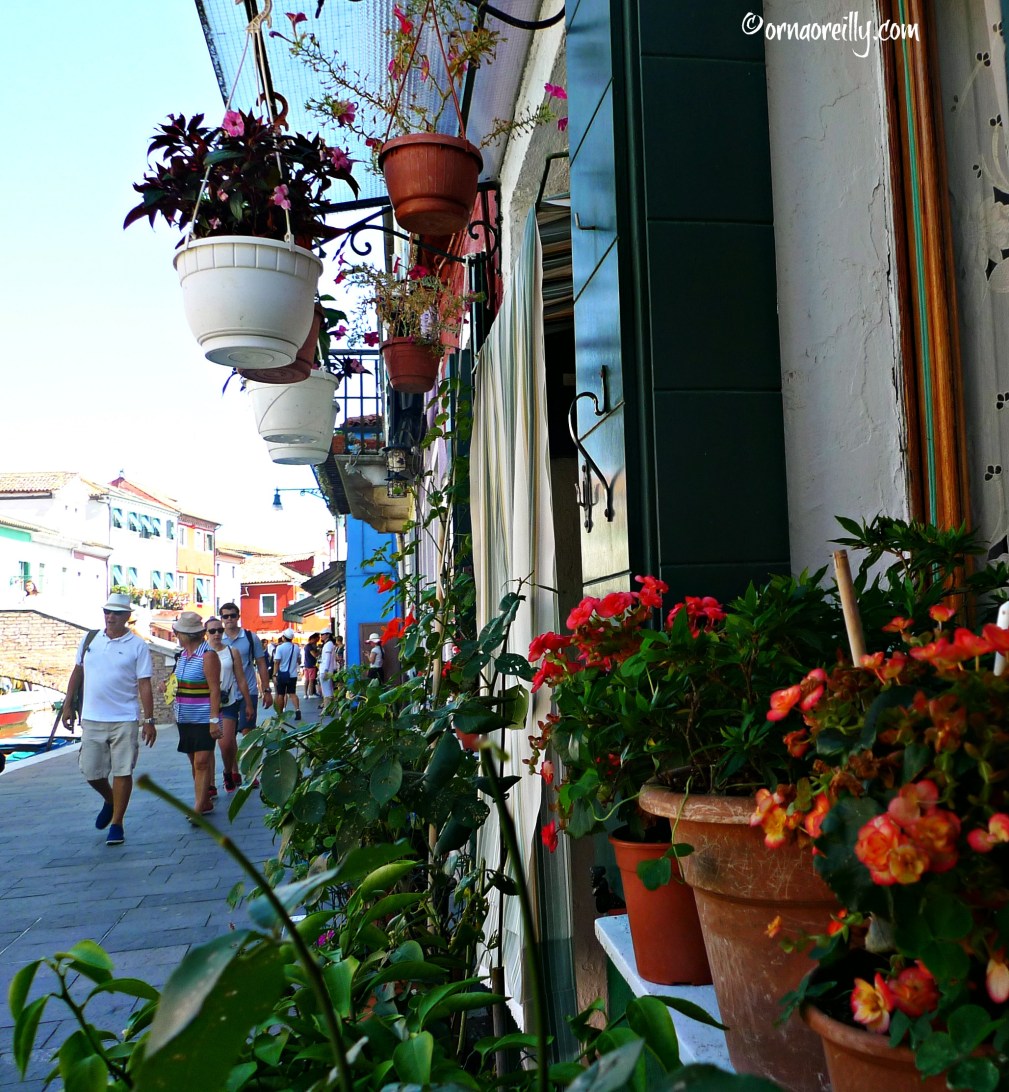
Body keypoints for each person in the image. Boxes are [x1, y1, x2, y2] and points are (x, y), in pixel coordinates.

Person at [61, 592, 156, 847]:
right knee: (91, 771)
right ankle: (111, 799)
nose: (110, 616)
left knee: (123, 770)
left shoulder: (138, 646)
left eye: (116, 613)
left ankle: (117, 823)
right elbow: (77, 672)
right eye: (107, 612)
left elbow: (144, 684)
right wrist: (68, 705)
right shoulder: (90, 639)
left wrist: (149, 719)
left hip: (125, 717)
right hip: (92, 717)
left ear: (127, 616)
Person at [172, 611, 222, 815]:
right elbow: (179, 683)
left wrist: (214, 720)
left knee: (201, 762)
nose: (176, 635)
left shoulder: (208, 655)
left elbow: (215, 689)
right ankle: (204, 801)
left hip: (203, 717)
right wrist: (167, 687)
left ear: (186, 634)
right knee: (195, 762)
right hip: (184, 717)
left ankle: (198, 807)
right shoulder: (182, 656)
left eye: (178, 632)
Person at [204, 615, 253, 792]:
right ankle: (210, 783)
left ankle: (227, 771)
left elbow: (241, 678)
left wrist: (248, 703)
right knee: (207, 747)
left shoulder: (232, 652)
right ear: (206, 633)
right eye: (212, 631)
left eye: (220, 630)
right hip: (206, 703)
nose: (217, 634)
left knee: (226, 743)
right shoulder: (201, 652)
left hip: (228, 701)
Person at [219, 603, 272, 735]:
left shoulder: (250, 637)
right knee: (226, 739)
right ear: (222, 619)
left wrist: (266, 690)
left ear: (238, 617)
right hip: (225, 693)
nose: (229, 619)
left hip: (249, 690)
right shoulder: (217, 639)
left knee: (247, 732)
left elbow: (261, 664)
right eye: (226, 616)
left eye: (233, 615)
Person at [273, 628, 302, 719]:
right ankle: (297, 710)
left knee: (281, 694)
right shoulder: (296, 647)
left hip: (282, 675)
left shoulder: (280, 648)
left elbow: (277, 662)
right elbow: (299, 661)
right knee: (292, 693)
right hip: (293, 675)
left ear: (283, 637)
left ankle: (280, 714)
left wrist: (274, 674)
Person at [318, 631, 336, 702]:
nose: (321, 636)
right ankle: (328, 706)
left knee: (326, 692)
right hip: (327, 670)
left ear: (328, 635)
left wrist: (325, 670)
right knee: (328, 690)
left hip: (325, 670)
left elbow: (327, 658)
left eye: (323, 634)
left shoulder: (328, 645)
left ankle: (327, 706)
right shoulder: (329, 644)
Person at [303, 633, 320, 697]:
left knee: (307, 680)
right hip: (311, 665)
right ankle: (311, 694)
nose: (317, 641)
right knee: (311, 680)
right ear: (313, 638)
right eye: (316, 639)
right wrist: (319, 651)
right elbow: (314, 655)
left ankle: (305, 694)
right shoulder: (310, 647)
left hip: (307, 665)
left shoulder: (306, 646)